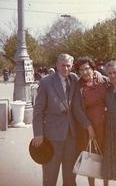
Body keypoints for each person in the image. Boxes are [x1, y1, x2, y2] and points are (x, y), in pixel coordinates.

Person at [32, 53, 79, 186]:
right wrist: (38, 134)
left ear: (72, 66)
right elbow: (38, 109)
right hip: (52, 136)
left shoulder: (74, 79)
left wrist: (99, 74)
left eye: (68, 66)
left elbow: (91, 77)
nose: (65, 68)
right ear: (57, 65)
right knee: (50, 174)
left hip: (71, 135)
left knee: (70, 175)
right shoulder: (46, 82)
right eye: (62, 65)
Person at [73, 56, 109, 186]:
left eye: (87, 68)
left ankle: (106, 184)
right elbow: (77, 109)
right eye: (81, 70)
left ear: (93, 69)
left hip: (106, 125)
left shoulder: (103, 80)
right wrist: (89, 127)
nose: (85, 72)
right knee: (91, 157)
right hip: (89, 127)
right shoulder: (78, 86)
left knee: (106, 156)